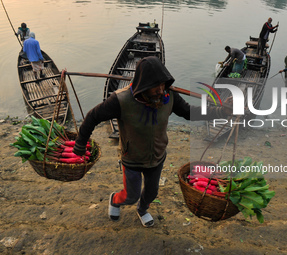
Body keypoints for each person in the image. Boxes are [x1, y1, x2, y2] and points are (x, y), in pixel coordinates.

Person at [72, 56, 232, 228]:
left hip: (157, 156)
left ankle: (142, 210)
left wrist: (221, 111)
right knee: (130, 196)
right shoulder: (121, 101)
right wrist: (80, 144)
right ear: (144, 86)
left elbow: (189, 112)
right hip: (132, 158)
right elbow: (92, 117)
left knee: (151, 193)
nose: (161, 90)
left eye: (163, 84)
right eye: (156, 86)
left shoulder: (169, 96)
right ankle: (115, 200)